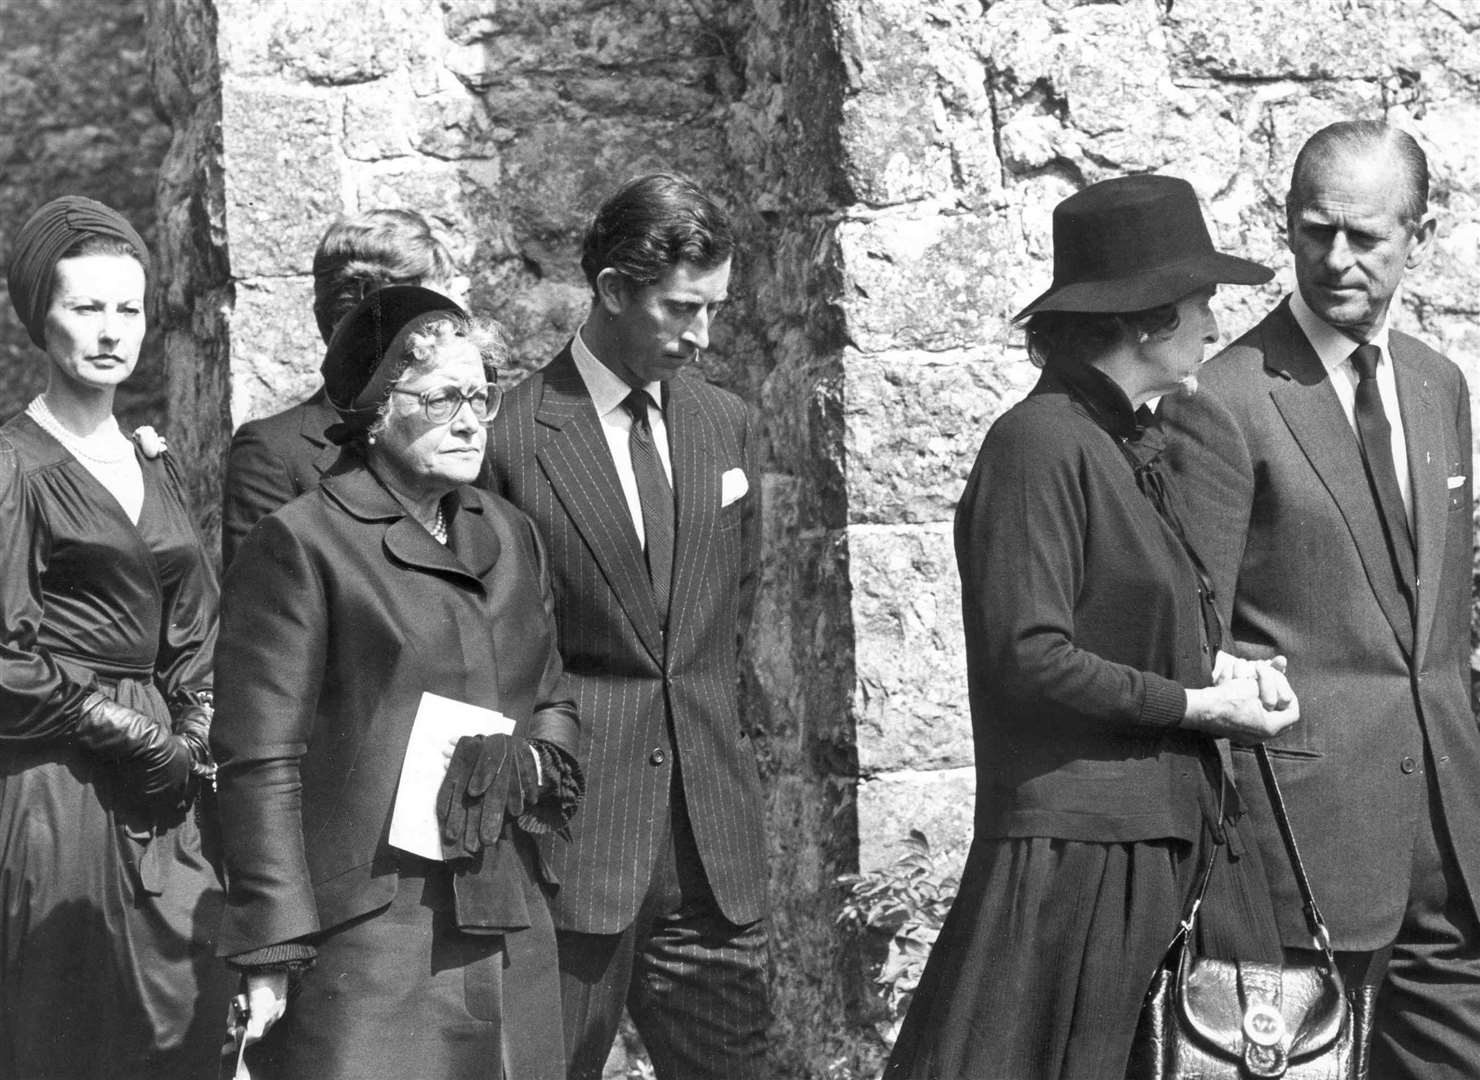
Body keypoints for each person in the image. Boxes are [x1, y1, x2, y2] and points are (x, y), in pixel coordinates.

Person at [883, 174, 1302, 1080]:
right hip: (1079, 867)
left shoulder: (1120, 442)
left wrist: (1220, 670)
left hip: (1154, 847)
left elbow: (1119, 628)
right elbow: (1028, 658)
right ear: (1146, 320)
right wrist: (1196, 705)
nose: (1212, 325)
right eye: (1199, 305)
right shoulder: (1037, 444)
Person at [1160, 120, 1480, 1079]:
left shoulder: (1438, 385)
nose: (1335, 259)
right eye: (1312, 232)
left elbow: (1437, 617)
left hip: (1449, 843)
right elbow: (1191, 637)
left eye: (1366, 237)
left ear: (1418, 233)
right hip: (1302, 845)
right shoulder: (1223, 397)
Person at [212, 285, 582, 1079]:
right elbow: (259, 758)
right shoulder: (305, 543)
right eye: (444, 396)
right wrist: (274, 943)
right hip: (373, 936)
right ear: (378, 410)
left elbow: (551, 693)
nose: (471, 417)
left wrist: (534, 761)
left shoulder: (509, 534)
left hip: (505, 911)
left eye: (481, 394)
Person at [485, 173, 768, 1078]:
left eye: (716, 309)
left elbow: (730, 622)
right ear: (611, 291)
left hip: (712, 850)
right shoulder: (514, 438)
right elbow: (498, 652)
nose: (704, 335)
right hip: (571, 852)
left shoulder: (726, 424)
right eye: (682, 309)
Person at [0, 195, 233, 1078]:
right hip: (59, 791)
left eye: (128, 308)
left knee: (188, 1020)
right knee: (75, 1024)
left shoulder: (151, 457)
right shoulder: (13, 465)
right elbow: (4, 658)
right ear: (40, 319)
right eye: (84, 307)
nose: (110, 331)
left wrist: (194, 727)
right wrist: (131, 733)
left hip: (172, 793)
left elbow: (198, 624)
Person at [220, 207, 461, 566]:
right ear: (352, 320)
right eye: (422, 320)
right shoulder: (274, 455)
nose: (441, 337)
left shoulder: (459, 431)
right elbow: (267, 606)